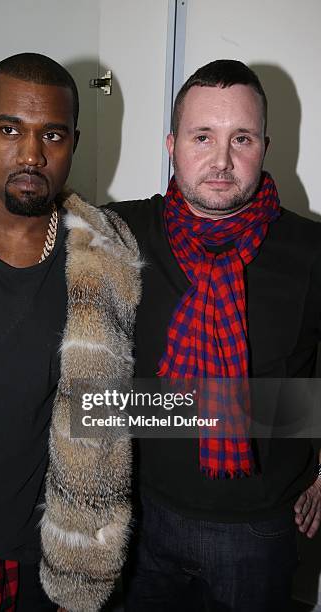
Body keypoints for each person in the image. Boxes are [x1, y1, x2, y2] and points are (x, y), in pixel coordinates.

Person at [0, 53, 141, 612]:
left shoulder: (108, 263)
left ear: (74, 142)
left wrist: (292, 437)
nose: (32, 154)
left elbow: (116, 413)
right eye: (10, 128)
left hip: (46, 569)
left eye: (53, 135)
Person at [108, 59, 321, 611]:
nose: (222, 160)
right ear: (172, 143)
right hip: (140, 520)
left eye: (241, 138)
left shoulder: (312, 252)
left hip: (260, 533)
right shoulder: (118, 234)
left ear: (265, 145)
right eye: (203, 136)